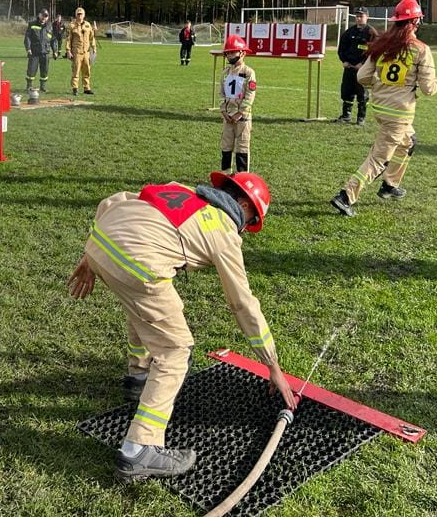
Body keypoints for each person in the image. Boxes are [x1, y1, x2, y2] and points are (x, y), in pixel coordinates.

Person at [67, 171, 296, 482]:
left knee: (149, 309)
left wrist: (89, 256)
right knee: (175, 349)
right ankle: (140, 449)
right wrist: (272, 364)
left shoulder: (182, 190)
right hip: (138, 264)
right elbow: (243, 304)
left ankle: (138, 375)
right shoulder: (224, 232)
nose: (246, 228)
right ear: (242, 204)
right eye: (250, 219)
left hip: (103, 243)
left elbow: (115, 200)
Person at [330, 0, 437, 216]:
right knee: (378, 158)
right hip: (400, 112)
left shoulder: (382, 45)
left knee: (409, 142)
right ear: (416, 22)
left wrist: (382, 86)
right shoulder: (420, 49)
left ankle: (390, 185)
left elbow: (363, 76)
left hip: (381, 107)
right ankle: (345, 196)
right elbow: (428, 88)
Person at [220, 34, 257, 173]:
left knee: (242, 146)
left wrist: (240, 112)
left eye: (232, 52)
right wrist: (223, 111)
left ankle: (242, 177)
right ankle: (226, 174)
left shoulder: (249, 73)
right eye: (227, 53)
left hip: (243, 118)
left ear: (242, 53)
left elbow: (250, 94)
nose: (229, 56)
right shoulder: (225, 73)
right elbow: (221, 93)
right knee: (226, 145)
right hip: (227, 116)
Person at [335, 7, 378, 124]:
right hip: (349, 68)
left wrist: (363, 64)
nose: (358, 18)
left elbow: (374, 52)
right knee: (347, 92)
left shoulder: (371, 33)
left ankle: (361, 118)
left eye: (361, 16)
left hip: (363, 70)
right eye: (357, 16)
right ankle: (346, 115)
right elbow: (341, 49)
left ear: (367, 17)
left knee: (362, 94)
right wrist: (343, 61)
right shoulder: (349, 32)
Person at [67, 6, 97, 96]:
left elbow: (92, 38)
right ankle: (75, 88)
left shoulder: (88, 25)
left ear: (84, 15)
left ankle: (86, 88)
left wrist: (94, 48)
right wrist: (68, 50)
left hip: (86, 52)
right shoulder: (72, 25)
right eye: (78, 14)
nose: (80, 16)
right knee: (76, 70)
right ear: (76, 15)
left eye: (81, 14)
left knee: (87, 70)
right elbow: (68, 39)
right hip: (76, 52)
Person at [24, 9, 52, 92]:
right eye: (43, 15)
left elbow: (53, 39)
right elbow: (27, 38)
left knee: (44, 70)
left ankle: (42, 87)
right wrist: (28, 49)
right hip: (34, 52)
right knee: (31, 69)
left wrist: (55, 51)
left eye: (46, 16)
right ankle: (29, 86)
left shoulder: (50, 26)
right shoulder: (32, 24)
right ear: (39, 15)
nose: (44, 17)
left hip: (45, 52)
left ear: (48, 17)